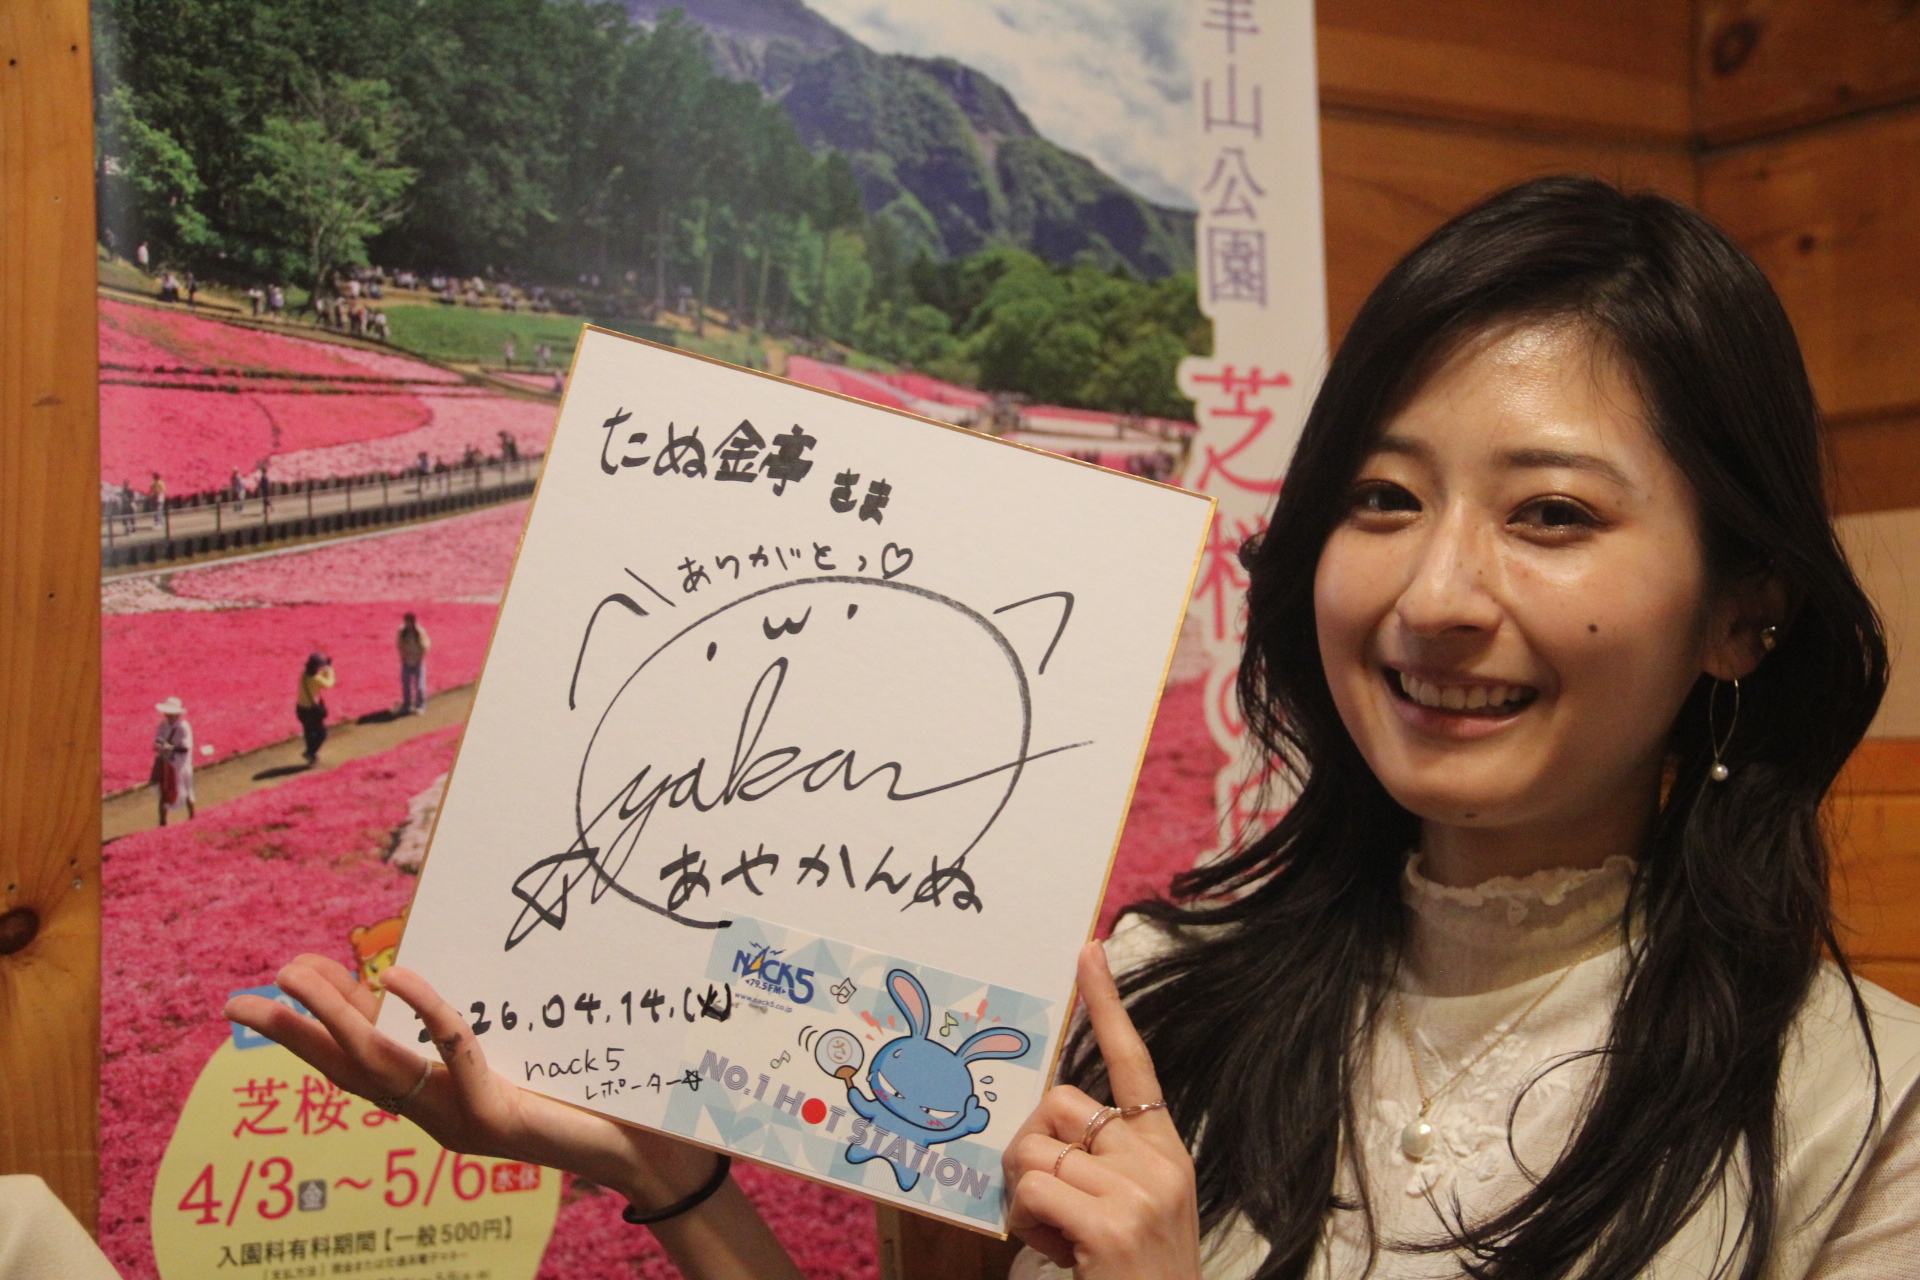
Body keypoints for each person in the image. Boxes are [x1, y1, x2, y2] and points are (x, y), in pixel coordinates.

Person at [227, 177, 1920, 1280]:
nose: (1433, 595)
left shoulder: (1865, 1116)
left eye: (1551, 515)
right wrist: (677, 1179)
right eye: (1385, 497)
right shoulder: (1159, 994)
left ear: (1743, 610)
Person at [150, 697, 196, 825]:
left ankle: (193, 817)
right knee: (164, 792)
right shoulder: (163, 726)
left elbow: (185, 748)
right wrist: (159, 746)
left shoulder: (183, 727)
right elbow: (158, 741)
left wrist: (170, 748)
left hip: (181, 765)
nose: (168, 715)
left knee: (186, 790)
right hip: (167, 763)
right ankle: (163, 822)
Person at [296, 652, 335, 765]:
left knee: (308, 731)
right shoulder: (316, 679)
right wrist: (330, 669)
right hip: (311, 711)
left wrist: (324, 669)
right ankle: (311, 752)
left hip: (301, 709)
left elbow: (318, 675)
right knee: (322, 733)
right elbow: (329, 683)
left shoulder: (304, 674)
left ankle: (311, 754)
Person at [397, 614, 430, 715]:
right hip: (406, 662)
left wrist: (419, 657)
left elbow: (425, 645)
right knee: (406, 685)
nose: (408, 624)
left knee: (420, 686)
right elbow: (399, 645)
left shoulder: (419, 632)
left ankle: (420, 706)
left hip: (418, 662)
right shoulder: (402, 632)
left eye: (409, 622)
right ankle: (406, 706)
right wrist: (403, 657)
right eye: (406, 621)